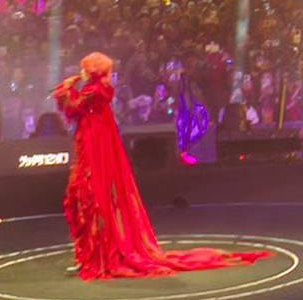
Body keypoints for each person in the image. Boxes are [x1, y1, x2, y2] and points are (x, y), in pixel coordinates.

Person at [59, 54, 259, 281]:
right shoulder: (91, 90)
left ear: (93, 71)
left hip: (97, 147)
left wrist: (67, 88)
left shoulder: (98, 90)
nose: (81, 72)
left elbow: (73, 105)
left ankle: (99, 255)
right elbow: (74, 109)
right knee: (85, 198)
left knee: (95, 197)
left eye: (84, 69)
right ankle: (88, 254)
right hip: (88, 142)